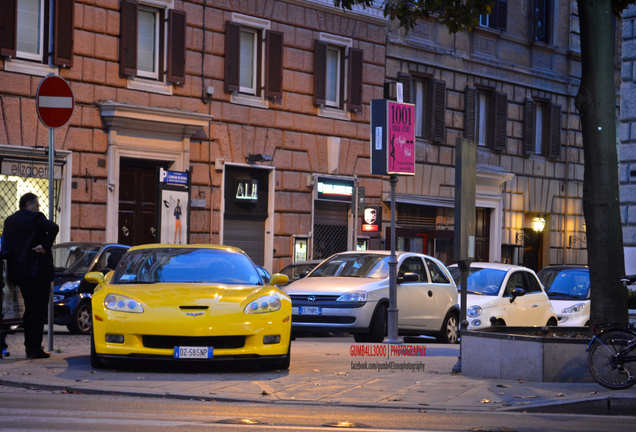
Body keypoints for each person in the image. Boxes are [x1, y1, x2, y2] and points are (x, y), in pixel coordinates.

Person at [0, 193, 59, 359]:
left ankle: (30, 346)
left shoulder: (9, 221)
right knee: (38, 310)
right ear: (29, 204)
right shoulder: (36, 218)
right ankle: (34, 347)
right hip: (38, 271)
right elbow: (54, 227)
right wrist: (45, 246)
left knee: (29, 309)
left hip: (20, 272)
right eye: (37, 205)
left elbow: (6, 247)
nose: (38, 209)